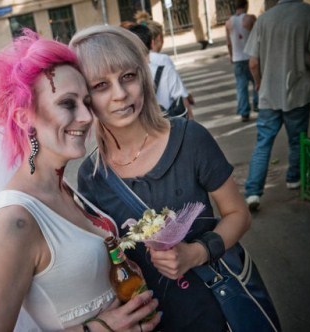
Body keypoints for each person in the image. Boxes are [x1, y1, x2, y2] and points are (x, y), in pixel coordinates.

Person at [0, 30, 161, 332]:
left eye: (86, 101)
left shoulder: (62, 187)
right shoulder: (15, 222)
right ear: (23, 119)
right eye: (67, 104)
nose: (86, 116)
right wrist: (98, 329)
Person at [70, 25, 252, 331]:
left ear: (143, 76)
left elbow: (239, 214)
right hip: (151, 321)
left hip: (214, 308)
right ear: (85, 97)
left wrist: (197, 253)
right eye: (101, 85)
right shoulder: (92, 176)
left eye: (128, 76)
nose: (120, 94)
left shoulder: (190, 138)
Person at [243, 0, 310, 211]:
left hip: (269, 94)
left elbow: (252, 63)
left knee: (263, 143)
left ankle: (253, 193)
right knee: (297, 140)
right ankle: (294, 179)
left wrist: (259, 82)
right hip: (297, 92)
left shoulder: (263, 20)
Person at [128, 23, 194, 119]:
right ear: (152, 43)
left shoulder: (127, 77)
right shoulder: (167, 71)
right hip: (168, 126)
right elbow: (183, 102)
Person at [225, 0, 258, 122]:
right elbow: (258, 37)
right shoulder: (251, 19)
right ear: (246, 5)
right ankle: (258, 105)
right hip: (251, 56)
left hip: (238, 59)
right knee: (256, 82)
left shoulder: (228, 23)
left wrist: (231, 56)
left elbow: (229, 43)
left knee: (241, 86)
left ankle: (244, 112)